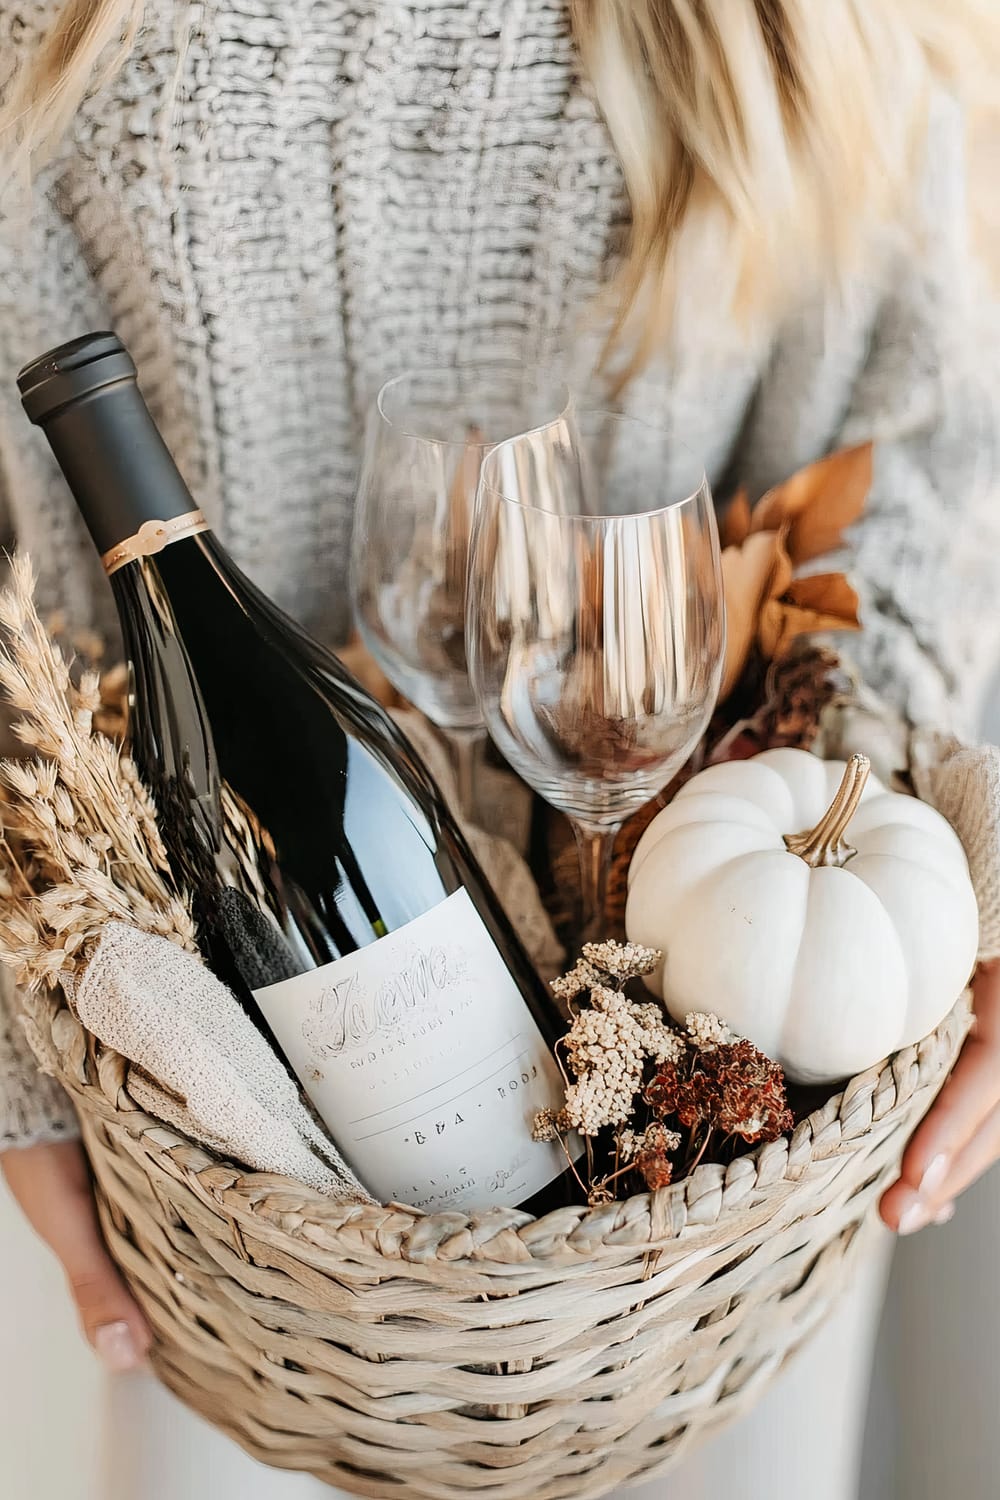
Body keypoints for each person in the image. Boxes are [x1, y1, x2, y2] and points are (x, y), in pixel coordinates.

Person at [1, 3, 999, 1498]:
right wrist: (20, 1045)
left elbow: (923, 429)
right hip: (241, 1207)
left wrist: (894, 882)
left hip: (722, 1167)